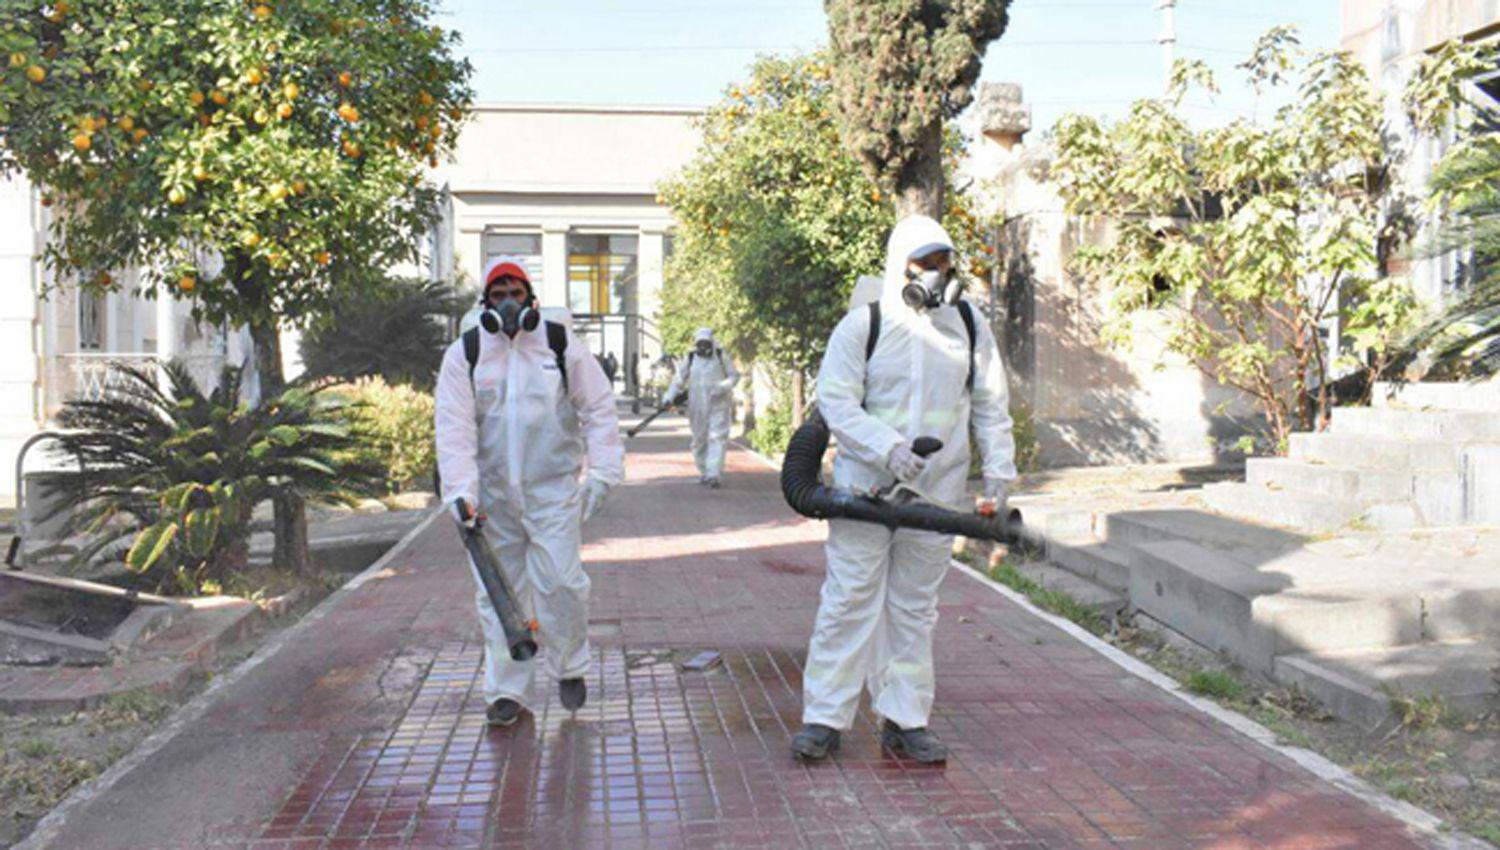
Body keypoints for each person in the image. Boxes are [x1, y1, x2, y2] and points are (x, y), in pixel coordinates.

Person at [792, 215, 1017, 763]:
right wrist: (886, 448)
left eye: (944, 262)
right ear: (901, 266)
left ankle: (905, 718)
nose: (938, 274)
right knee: (850, 602)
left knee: (914, 608)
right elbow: (837, 402)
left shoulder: (966, 323)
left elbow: (990, 401)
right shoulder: (863, 325)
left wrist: (1000, 472)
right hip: (866, 490)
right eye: (926, 263)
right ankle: (824, 717)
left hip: (936, 495)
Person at [435, 255, 625, 727]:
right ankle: (507, 692)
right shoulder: (466, 353)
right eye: (498, 294)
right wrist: (461, 491)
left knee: (562, 583)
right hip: (492, 498)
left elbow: (598, 408)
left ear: (531, 299)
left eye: (515, 293)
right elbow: (454, 429)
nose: (508, 303)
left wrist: (602, 472)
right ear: (485, 303)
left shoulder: (559, 344)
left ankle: (570, 666)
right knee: (498, 594)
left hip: (552, 491)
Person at [665, 328, 740, 487]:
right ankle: (704, 470)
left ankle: (714, 473)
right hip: (696, 404)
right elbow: (678, 380)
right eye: (700, 344)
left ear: (711, 343)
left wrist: (723, 387)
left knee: (717, 437)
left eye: (706, 344)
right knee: (699, 440)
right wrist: (669, 397)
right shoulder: (691, 358)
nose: (703, 348)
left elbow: (734, 376)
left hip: (718, 403)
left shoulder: (720, 356)